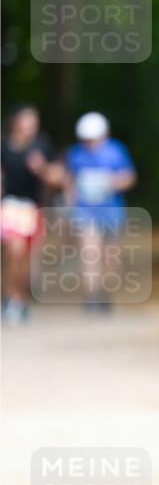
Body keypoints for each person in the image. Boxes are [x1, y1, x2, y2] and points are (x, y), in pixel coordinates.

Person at [65, 112, 137, 311]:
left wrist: (113, 183)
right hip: (85, 211)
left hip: (112, 211)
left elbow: (129, 177)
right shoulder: (76, 154)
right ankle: (91, 296)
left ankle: (106, 292)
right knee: (90, 253)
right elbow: (70, 180)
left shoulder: (116, 151)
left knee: (111, 256)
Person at [1, 104, 63, 324]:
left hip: (32, 209)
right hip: (9, 206)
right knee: (13, 250)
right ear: (16, 122)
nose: (32, 125)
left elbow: (58, 178)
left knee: (26, 259)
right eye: (28, 120)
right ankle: (10, 298)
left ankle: (20, 299)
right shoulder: (4, 146)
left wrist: (42, 168)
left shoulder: (42, 145)